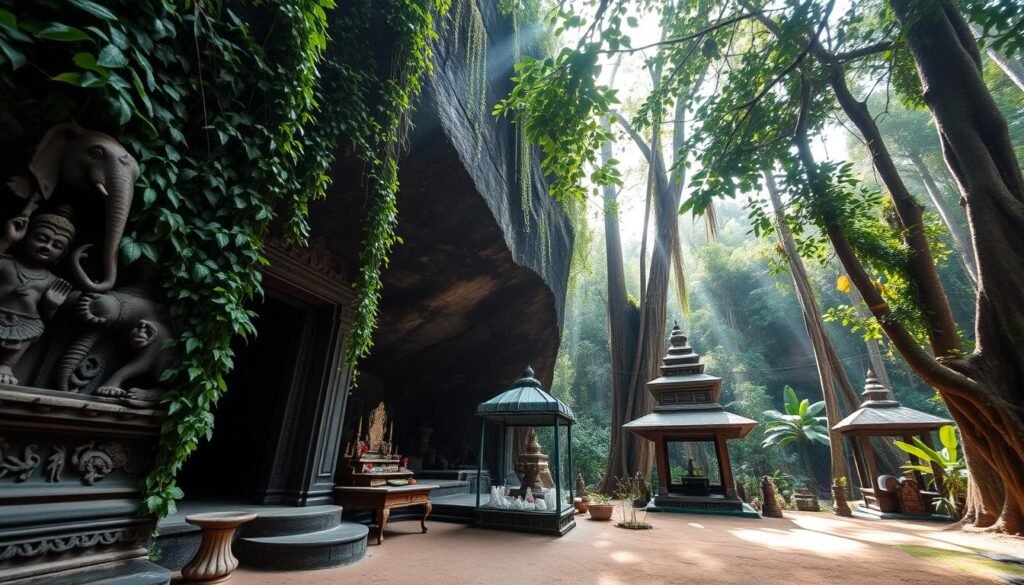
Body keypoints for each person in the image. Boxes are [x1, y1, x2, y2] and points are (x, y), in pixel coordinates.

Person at [0, 209, 74, 385]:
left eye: (56, 245)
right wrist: (7, 240)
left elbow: (46, 318)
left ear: (62, 255)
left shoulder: (51, 280)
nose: (47, 246)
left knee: (36, 327)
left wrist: (51, 305)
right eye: (41, 239)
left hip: (26, 321)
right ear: (26, 237)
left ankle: (6, 365)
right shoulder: (7, 262)